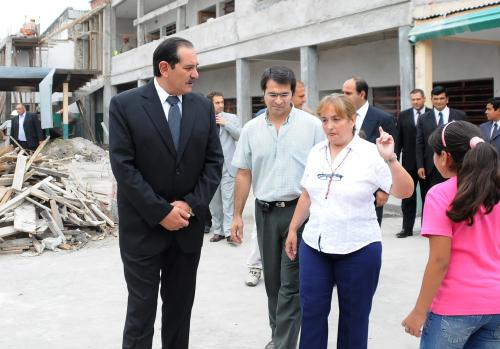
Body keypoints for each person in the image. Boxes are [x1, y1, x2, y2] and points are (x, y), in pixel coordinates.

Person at [109, 37, 223, 349]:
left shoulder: (201, 107)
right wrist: (161, 212)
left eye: (196, 67)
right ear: (164, 68)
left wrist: (188, 204)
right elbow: (124, 166)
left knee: (179, 312)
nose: (196, 74)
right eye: (189, 67)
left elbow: (214, 161)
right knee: (140, 313)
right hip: (143, 230)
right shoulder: (125, 105)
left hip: (187, 229)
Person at [286, 94, 413, 349]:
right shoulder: (316, 152)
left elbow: (405, 191)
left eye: (336, 119)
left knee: (354, 320)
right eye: (324, 120)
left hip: (359, 248)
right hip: (315, 246)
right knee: (311, 314)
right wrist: (293, 228)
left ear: (353, 120)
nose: (330, 126)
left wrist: (390, 159)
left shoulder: (371, 153)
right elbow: (308, 194)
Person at [231, 66, 324, 349]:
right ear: (263, 94)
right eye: (273, 94)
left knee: (290, 286)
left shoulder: (312, 127)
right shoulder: (250, 129)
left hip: (300, 212)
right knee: (272, 283)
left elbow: (322, 170)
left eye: (285, 94)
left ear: (293, 94)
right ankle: (278, 337)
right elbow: (244, 172)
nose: (279, 100)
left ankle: (283, 345)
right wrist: (237, 215)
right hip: (266, 212)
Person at [402, 121, 500, 348]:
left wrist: (419, 311)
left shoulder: (440, 194)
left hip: (454, 307)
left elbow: (439, 260)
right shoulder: (496, 190)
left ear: (444, 157)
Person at [342, 77, 398, 226]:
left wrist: (384, 188)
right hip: (342, 186)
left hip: (371, 188)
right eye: (342, 93)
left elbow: (390, 156)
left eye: (348, 93)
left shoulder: (383, 119)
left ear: (362, 94)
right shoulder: (340, 117)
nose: (343, 97)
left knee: (369, 233)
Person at [416, 85, 466, 205]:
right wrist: (420, 165)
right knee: (431, 202)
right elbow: (419, 142)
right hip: (431, 168)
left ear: (447, 99)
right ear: (431, 100)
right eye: (436, 99)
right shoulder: (423, 119)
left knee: (455, 201)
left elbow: (465, 140)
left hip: (454, 166)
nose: (438, 101)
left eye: (441, 98)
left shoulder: (460, 116)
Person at [395, 89, 432, 238]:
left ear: (424, 99)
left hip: (427, 162)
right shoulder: (403, 115)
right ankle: (407, 228)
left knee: (427, 197)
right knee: (407, 196)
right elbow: (399, 138)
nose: (416, 102)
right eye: (413, 99)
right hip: (408, 163)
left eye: (418, 99)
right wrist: (395, 160)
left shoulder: (432, 114)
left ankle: (427, 228)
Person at [206, 91, 241, 244]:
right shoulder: (203, 119)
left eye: (222, 102)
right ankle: (218, 230)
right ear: (210, 104)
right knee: (214, 203)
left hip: (228, 166)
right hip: (210, 167)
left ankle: (228, 232)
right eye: (217, 102)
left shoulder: (231, 118)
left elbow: (240, 135)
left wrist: (226, 124)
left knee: (228, 201)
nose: (221, 105)